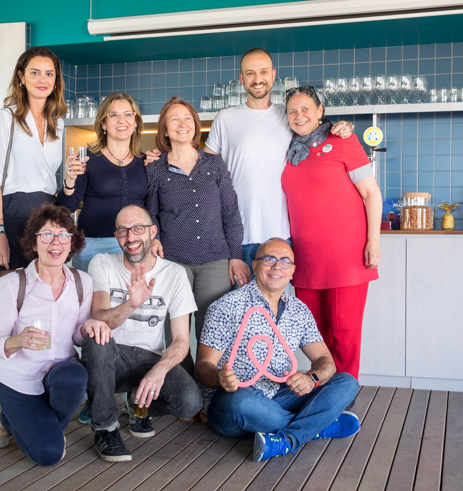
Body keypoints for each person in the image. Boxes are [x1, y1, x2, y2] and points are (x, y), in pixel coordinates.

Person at [148, 48, 355, 272]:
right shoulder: (225, 118)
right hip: (236, 237)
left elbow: (315, 129)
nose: (257, 79)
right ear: (241, 78)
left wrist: (340, 127)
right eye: (250, 73)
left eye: (263, 72)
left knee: (274, 305)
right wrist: (162, 156)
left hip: (280, 233)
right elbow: (199, 165)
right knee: (236, 306)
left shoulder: (288, 117)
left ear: (273, 75)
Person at [195, 238, 360, 461]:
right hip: (236, 402)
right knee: (241, 401)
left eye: (284, 262)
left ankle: (287, 439)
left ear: (292, 271)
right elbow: (203, 366)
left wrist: (311, 378)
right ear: (254, 265)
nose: (276, 267)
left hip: (280, 395)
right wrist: (220, 378)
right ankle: (317, 426)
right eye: (269, 259)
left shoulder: (299, 310)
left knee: (347, 382)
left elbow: (324, 360)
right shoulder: (228, 306)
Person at [0, 204, 111, 466]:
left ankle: (28, 421)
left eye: (64, 235)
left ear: (71, 242)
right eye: (47, 235)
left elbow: (77, 337)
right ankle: (7, 416)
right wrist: (18, 340)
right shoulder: (13, 284)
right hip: (18, 380)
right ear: (34, 241)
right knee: (49, 454)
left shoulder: (82, 282)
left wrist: (88, 327)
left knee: (75, 376)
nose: (56, 242)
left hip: (59, 376)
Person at [81, 204, 202, 462]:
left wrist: (159, 370)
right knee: (97, 337)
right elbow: (100, 318)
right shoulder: (102, 263)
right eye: (123, 231)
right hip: (110, 357)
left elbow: (181, 341)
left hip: (149, 359)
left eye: (138, 229)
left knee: (191, 402)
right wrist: (132, 303)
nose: (130, 237)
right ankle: (105, 428)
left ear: (152, 232)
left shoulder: (174, 274)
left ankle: (138, 402)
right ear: (116, 237)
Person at [282, 85, 383, 379]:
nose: (299, 116)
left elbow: (371, 194)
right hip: (306, 259)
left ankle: (342, 394)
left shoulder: (344, 140)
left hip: (346, 257)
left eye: (305, 109)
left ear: (320, 112)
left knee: (344, 333)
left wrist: (373, 242)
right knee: (314, 335)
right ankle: (323, 388)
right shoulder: (289, 150)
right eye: (292, 111)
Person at [146, 97, 250, 371]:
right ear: (165, 130)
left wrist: (235, 257)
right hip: (173, 262)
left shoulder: (214, 165)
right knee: (175, 333)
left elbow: (231, 213)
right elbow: (151, 216)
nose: (182, 124)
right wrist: (153, 239)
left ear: (196, 126)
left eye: (188, 119)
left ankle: (209, 395)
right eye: (174, 119)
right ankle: (185, 398)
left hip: (215, 260)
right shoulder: (155, 169)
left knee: (212, 333)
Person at [0, 46, 71, 277]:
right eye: (35, 72)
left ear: (56, 79)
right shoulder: (6, 118)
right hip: (13, 212)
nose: (43, 79)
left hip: (48, 214)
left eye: (49, 74)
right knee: (12, 294)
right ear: (21, 76)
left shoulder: (57, 123)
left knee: (45, 294)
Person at [56, 92, 161, 273]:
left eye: (128, 114)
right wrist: (69, 181)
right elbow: (65, 210)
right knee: (95, 301)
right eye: (114, 115)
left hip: (135, 246)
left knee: (133, 300)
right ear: (103, 123)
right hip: (93, 247)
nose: (122, 120)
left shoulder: (146, 162)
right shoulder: (87, 159)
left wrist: (155, 237)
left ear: (135, 123)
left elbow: (154, 207)